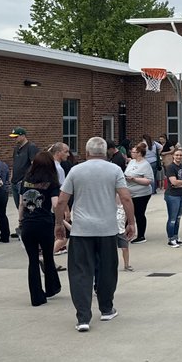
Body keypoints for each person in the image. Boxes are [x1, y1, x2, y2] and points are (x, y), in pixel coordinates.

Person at [55, 137, 135, 332]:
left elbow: (62, 200)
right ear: (106, 151)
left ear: (86, 151)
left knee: (81, 272)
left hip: (81, 230)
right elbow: (125, 197)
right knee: (107, 269)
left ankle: (83, 317)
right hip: (106, 229)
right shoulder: (114, 170)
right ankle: (107, 309)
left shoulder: (76, 170)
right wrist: (131, 222)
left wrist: (59, 223)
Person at [17, 151, 62, 306]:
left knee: (33, 260)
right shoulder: (52, 181)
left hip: (28, 224)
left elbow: (22, 202)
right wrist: (60, 221)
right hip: (44, 223)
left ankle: (36, 297)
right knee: (48, 256)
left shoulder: (26, 180)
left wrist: (20, 219)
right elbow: (56, 204)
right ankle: (51, 287)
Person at [124, 142, 155, 245]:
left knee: (139, 213)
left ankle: (141, 235)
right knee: (128, 213)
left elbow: (148, 181)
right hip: (129, 192)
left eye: (134, 152)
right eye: (131, 152)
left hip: (141, 194)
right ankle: (126, 233)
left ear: (140, 153)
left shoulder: (145, 165)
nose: (132, 153)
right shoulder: (132, 162)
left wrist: (134, 179)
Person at [163, 148, 182, 247]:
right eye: (177, 155)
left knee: (178, 218)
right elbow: (173, 182)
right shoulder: (170, 167)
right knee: (172, 218)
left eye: (180, 155)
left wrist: (180, 183)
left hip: (181, 194)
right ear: (173, 156)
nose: (179, 157)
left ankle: (176, 237)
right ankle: (171, 239)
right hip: (172, 195)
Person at [9, 127, 38, 212]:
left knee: (25, 206)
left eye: (16, 137)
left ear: (23, 136)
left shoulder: (31, 147)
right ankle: (21, 223)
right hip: (15, 181)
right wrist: (11, 176)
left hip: (23, 182)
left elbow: (34, 165)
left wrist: (27, 179)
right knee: (18, 206)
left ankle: (25, 223)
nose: (15, 139)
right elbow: (14, 163)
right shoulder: (16, 148)